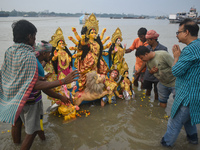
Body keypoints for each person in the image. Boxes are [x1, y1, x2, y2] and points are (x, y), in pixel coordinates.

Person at [0, 20, 79, 150]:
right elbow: (35, 85)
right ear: (29, 36)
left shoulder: (10, 51)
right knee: (32, 131)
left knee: (17, 123)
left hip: (15, 98)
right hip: (31, 99)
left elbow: (8, 73)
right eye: (34, 36)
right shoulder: (29, 56)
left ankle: (16, 145)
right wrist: (63, 82)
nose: (35, 39)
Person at [161, 18, 200, 147]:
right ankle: (193, 141)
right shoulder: (198, 46)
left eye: (178, 32)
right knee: (190, 120)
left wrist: (176, 57)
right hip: (196, 94)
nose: (177, 35)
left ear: (186, 32)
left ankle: (165, 145)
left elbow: (176, 71)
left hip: (186, 96)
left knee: (174, 123)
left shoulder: (189, 50)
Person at [135, 30, 168, 100]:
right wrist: (139, 71)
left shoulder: (163, 49)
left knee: (157, 91)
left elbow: (165, 63)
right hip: (148, 73)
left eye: (148, 40)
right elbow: (144, 61)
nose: (146, 41)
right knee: (147, 90)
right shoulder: (147, 48)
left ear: (153, 39)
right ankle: (146, 103)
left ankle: (156, 104)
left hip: (158, 74)